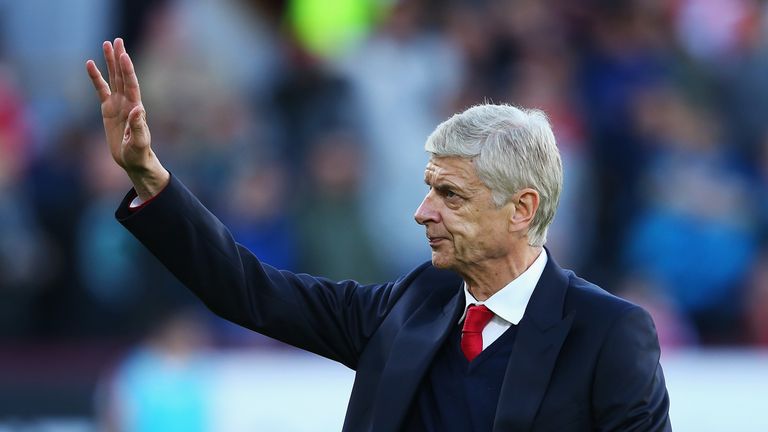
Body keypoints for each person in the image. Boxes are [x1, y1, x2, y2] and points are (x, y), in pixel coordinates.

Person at [86, 38, 671, 431]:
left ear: (522, 209)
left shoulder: (609, 334)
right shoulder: (408, 305)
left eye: (451, 195)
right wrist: (149, 177)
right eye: (428, 188)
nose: (422, 212)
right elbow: (249, 289)